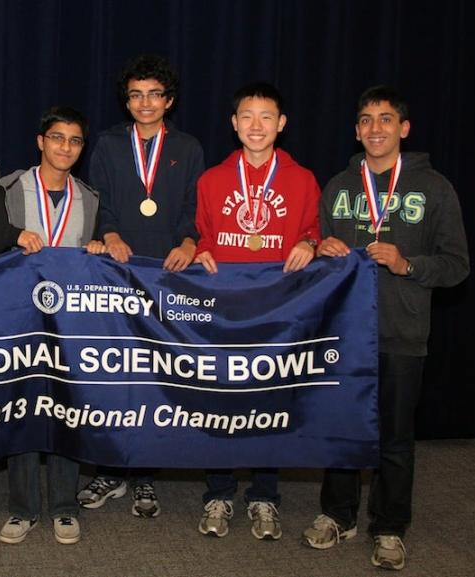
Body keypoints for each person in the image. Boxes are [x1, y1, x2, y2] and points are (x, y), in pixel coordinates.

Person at [301, 86, 469, 571]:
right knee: (339, 428)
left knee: (394, 436)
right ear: (356, 130)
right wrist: (319, 250)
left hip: (401, 332)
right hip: (343, 331)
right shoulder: (337, 187)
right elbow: (312, 251)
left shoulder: (434, 188)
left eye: (386, 119)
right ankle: (337, 514)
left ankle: (390, 525)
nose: (376, 128)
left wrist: (406, 264)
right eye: (367, 120)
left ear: (404, 128)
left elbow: (457, 266)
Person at [0, 106, 99, 545]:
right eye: (57, 138)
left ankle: (65, 507)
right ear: (41, 141)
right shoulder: (9, 187)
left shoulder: (89, 197)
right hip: (19, 322)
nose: (65, 147)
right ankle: (22, 508)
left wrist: (98, 246)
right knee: (23, 410)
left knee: (68, 412)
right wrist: (11, 235)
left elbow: (98, 252)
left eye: (74, 140)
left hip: (70, 326)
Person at [79, 54, 205, 518]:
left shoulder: (188, 147)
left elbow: (194, 206)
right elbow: (99, 200)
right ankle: (109, 468)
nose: (145, 102)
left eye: (154, 94)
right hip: (116, 272)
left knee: (154, 375)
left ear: (168, 100)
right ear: (127, 101)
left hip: (167, 275)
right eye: (136, 94)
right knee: (112, 373)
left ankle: (146, 475)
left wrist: (191, 240)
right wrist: (108, 232)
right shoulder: (109, 145)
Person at [194, 82, 321, 540]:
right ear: (234, 123)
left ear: (281, 124)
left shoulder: (303, 179)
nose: (256, 125)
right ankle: (219, 493)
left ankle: (266, 495)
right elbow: (202, 234)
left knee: (272, 402)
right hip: (225, 310)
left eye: (266, 116)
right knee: (222, 401)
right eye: (247, 115)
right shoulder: (211, 180)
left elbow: (313, 230)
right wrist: (201, 251)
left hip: (279, 310)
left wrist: (308, 241)